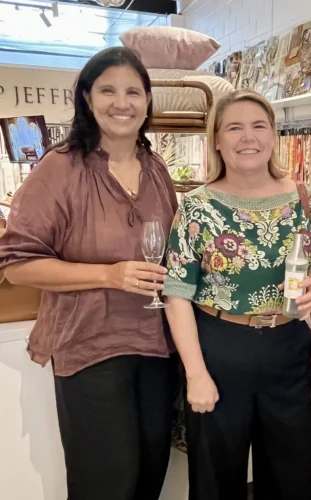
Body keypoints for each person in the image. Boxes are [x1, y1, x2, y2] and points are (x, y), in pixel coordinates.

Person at [0, 47, 178, 500]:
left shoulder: (156, 168)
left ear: (148, 100)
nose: (122, 103)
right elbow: (17, 264)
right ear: (86, 98)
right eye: (108, 91)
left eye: (133, 92)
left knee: (151, 473)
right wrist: (109, 276)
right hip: (89, 347)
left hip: (156, 346)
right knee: (107, 483)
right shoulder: (59, 168)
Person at [163, 89, 311, 500]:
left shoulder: (303, 199)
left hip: (287, 346)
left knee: (291, 475)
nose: (248, 137)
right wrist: (196, 374)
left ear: (273, 136)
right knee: (215, 475)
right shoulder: (197, 207)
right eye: (234, 128)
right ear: (217, 140)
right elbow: (177, 292)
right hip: (219, 350)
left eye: (259, 126)